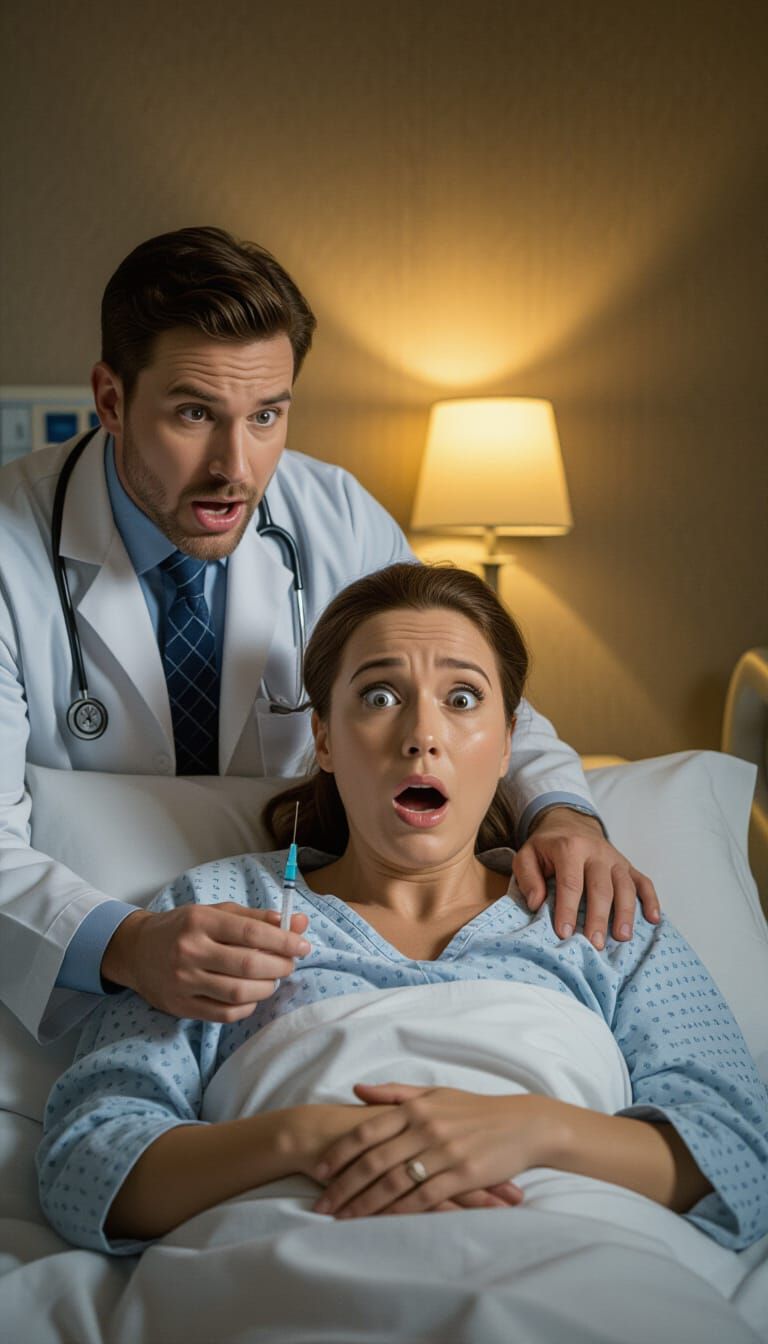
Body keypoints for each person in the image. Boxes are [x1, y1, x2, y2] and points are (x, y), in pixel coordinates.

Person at [0, 226, 658, 1047]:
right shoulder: (9, 547)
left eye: (267, 415)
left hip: (303, 959)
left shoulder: (337, 518)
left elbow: (470, 707)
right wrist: (126, 945)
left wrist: (563, 817)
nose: (235, 468)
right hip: (92, 971)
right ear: (111, 399)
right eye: (195, 413)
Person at [38, 564, 767, 1256]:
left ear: (509, 741)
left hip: (574, 1264)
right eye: (380, 697)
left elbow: (741, 1153)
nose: (422, 735)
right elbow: (87, 1162)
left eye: (462, 699)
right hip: (285, 1273)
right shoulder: (220, 909)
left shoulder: (598, 914)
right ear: (323, 737)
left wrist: (537, 1131)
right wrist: (310, 1139)